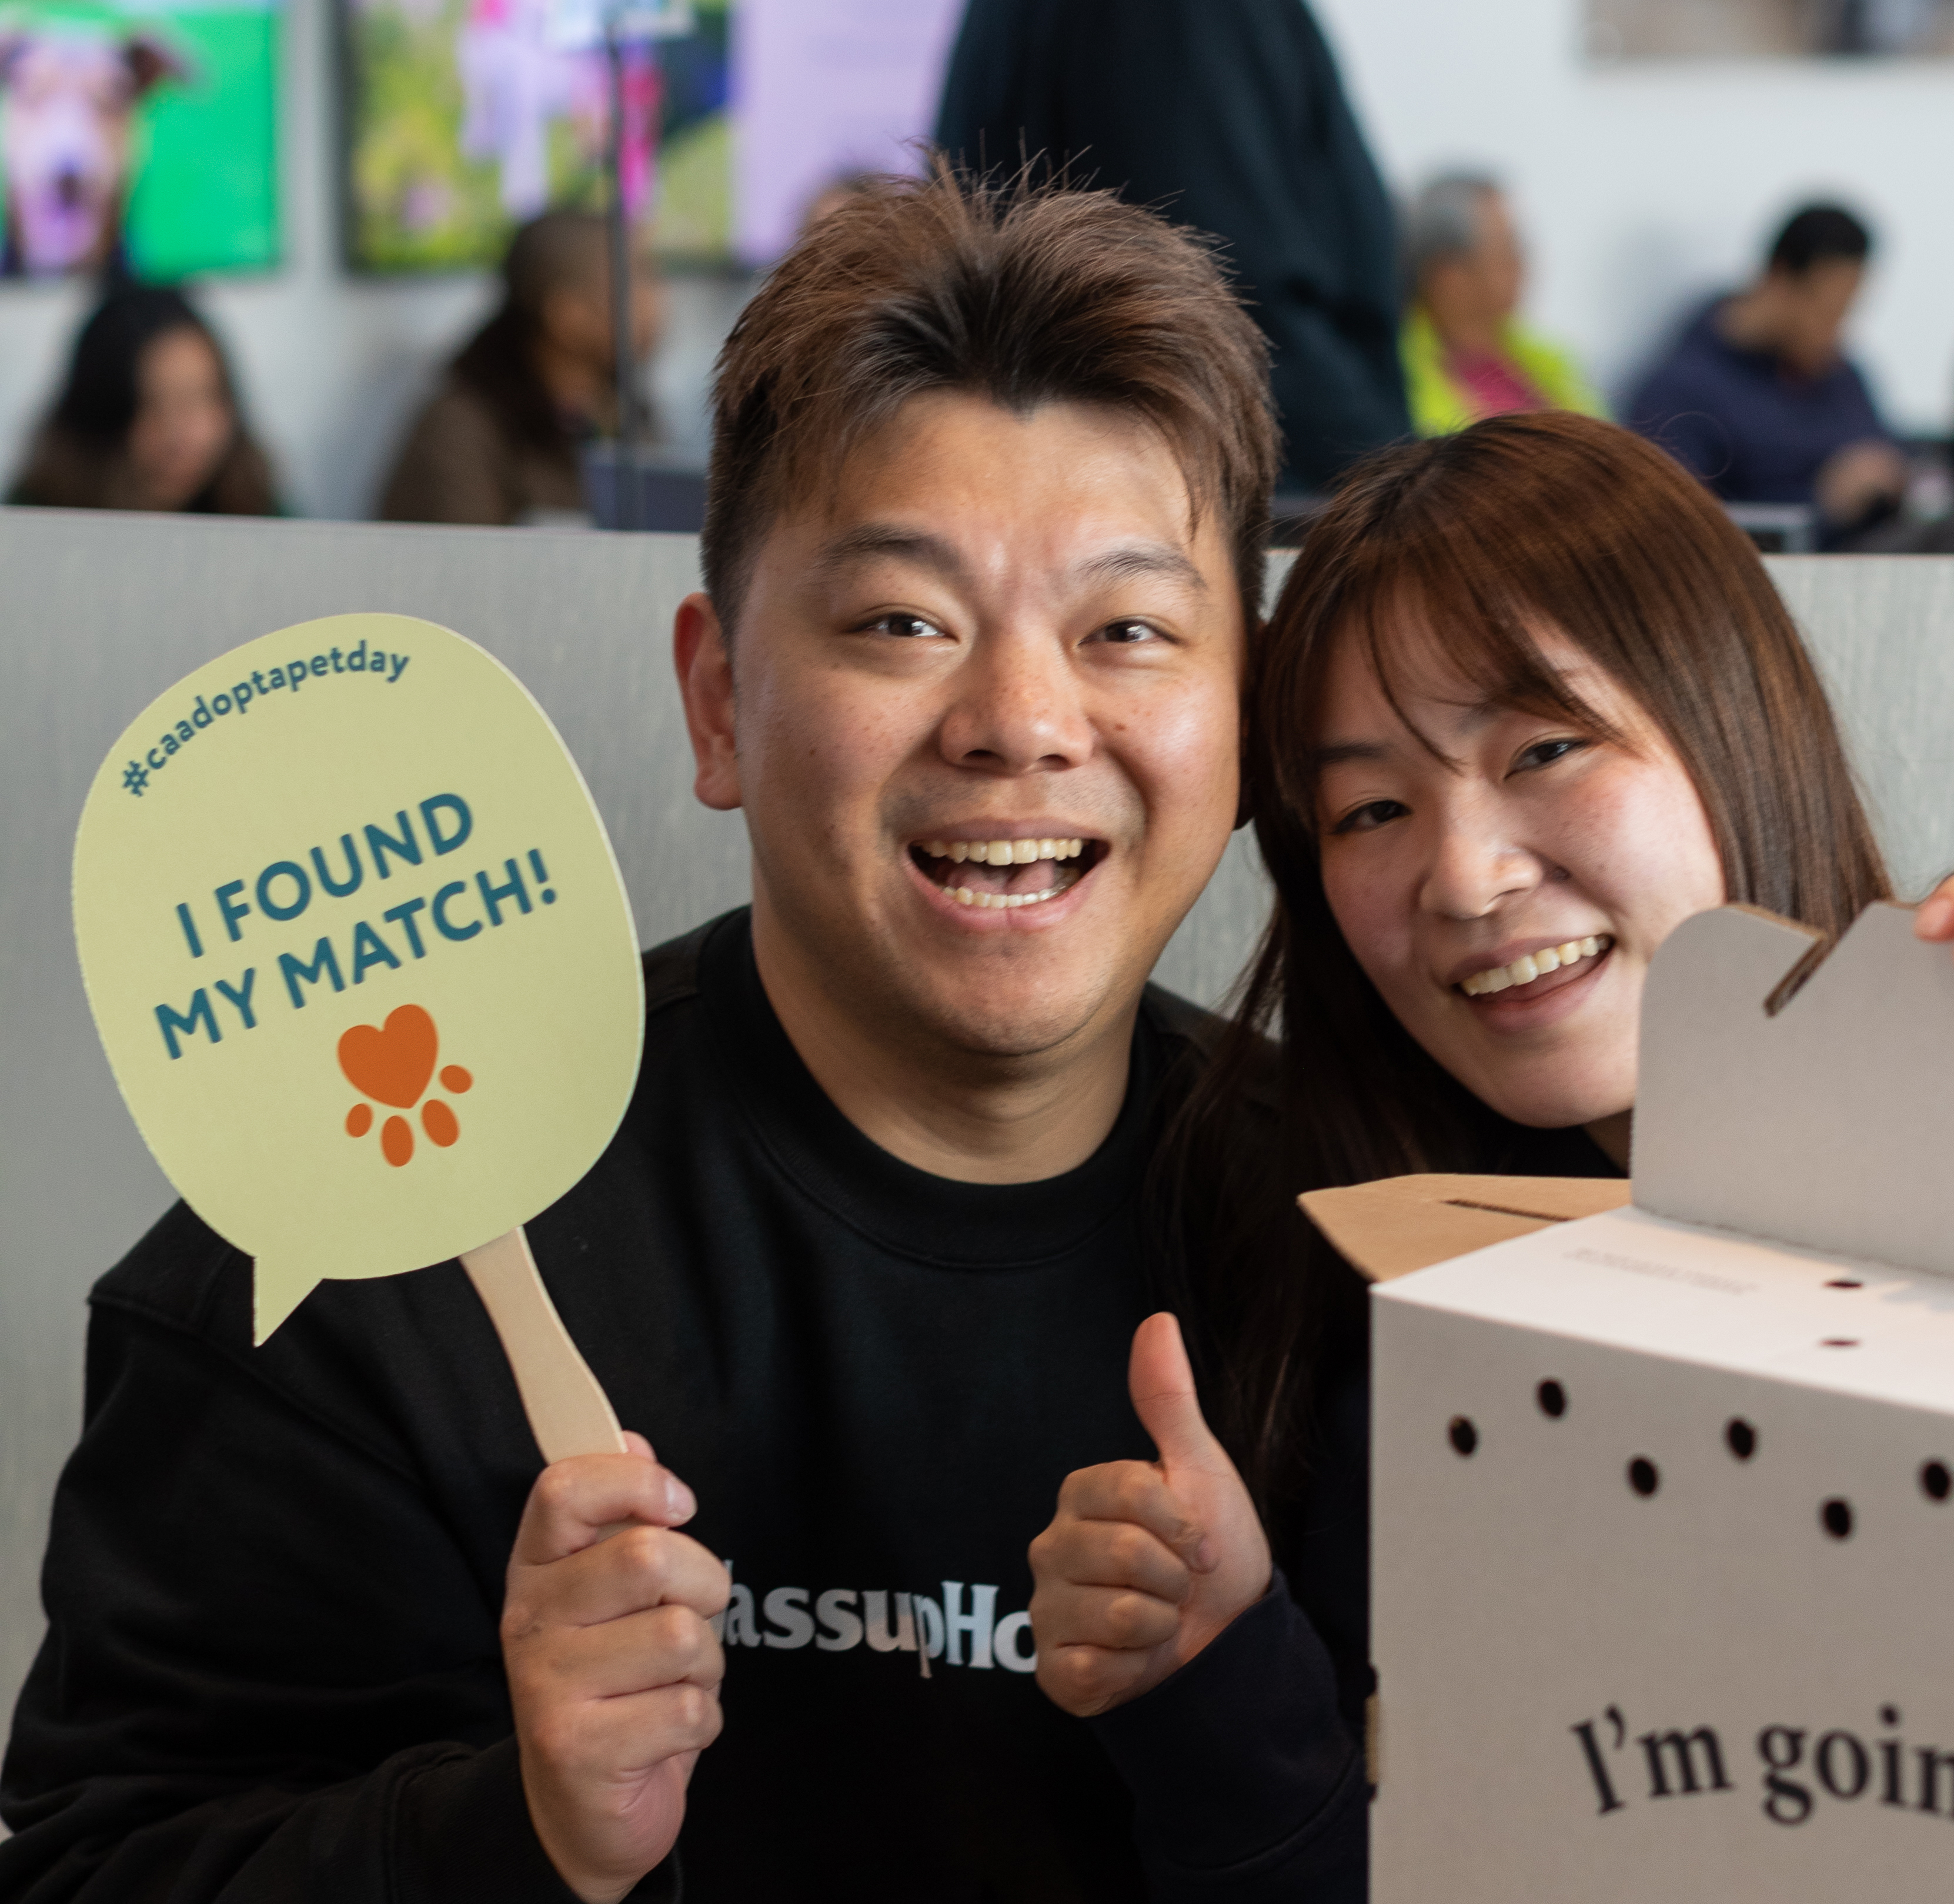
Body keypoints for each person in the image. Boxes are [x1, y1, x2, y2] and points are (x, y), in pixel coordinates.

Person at [0, 169, 1365, 1902]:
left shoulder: (1363, 1264)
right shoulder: (369, 1258)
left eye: (1126, 630)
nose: (1024, 720)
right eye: (901, 621)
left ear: (1239, 709)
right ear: (720, 697)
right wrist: (519, 1827)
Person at [1026, 412, 1954, 1698]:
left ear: (1735, 719)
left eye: (1542, 749)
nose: (1462, 877)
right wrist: (1223, 1671)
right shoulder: (1358, 1301)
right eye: (1371, 810)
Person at [935, 0, 1411, 494]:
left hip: (1085, 469)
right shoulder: (1176, 18)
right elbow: (1230, 301)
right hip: (1229, 485)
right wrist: (1387, 482)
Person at [1627, 203, 1905, 539]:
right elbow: (1673, 532)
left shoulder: (1843, 377)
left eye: (1848, 312)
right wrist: (1823, 506)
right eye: (1828, 311)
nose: (1838, 330)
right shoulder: (1677, 391)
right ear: (1780, 279)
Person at [378, 209, 662, 526]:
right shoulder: (457, 435)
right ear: (567, 316)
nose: (659, 301)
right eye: (640, 279)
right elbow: (450, 569)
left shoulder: (623, 412)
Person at [8, 285, 277, 514]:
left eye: (204, 398)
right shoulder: (26, 523)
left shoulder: (261, 513)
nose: (185, 436)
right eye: (154, 404)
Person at [1399, 173, 1604, 436]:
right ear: (1448, 272)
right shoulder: (1397, 374)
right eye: (1506, 249)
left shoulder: (1553, 360)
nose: (1522, 264)